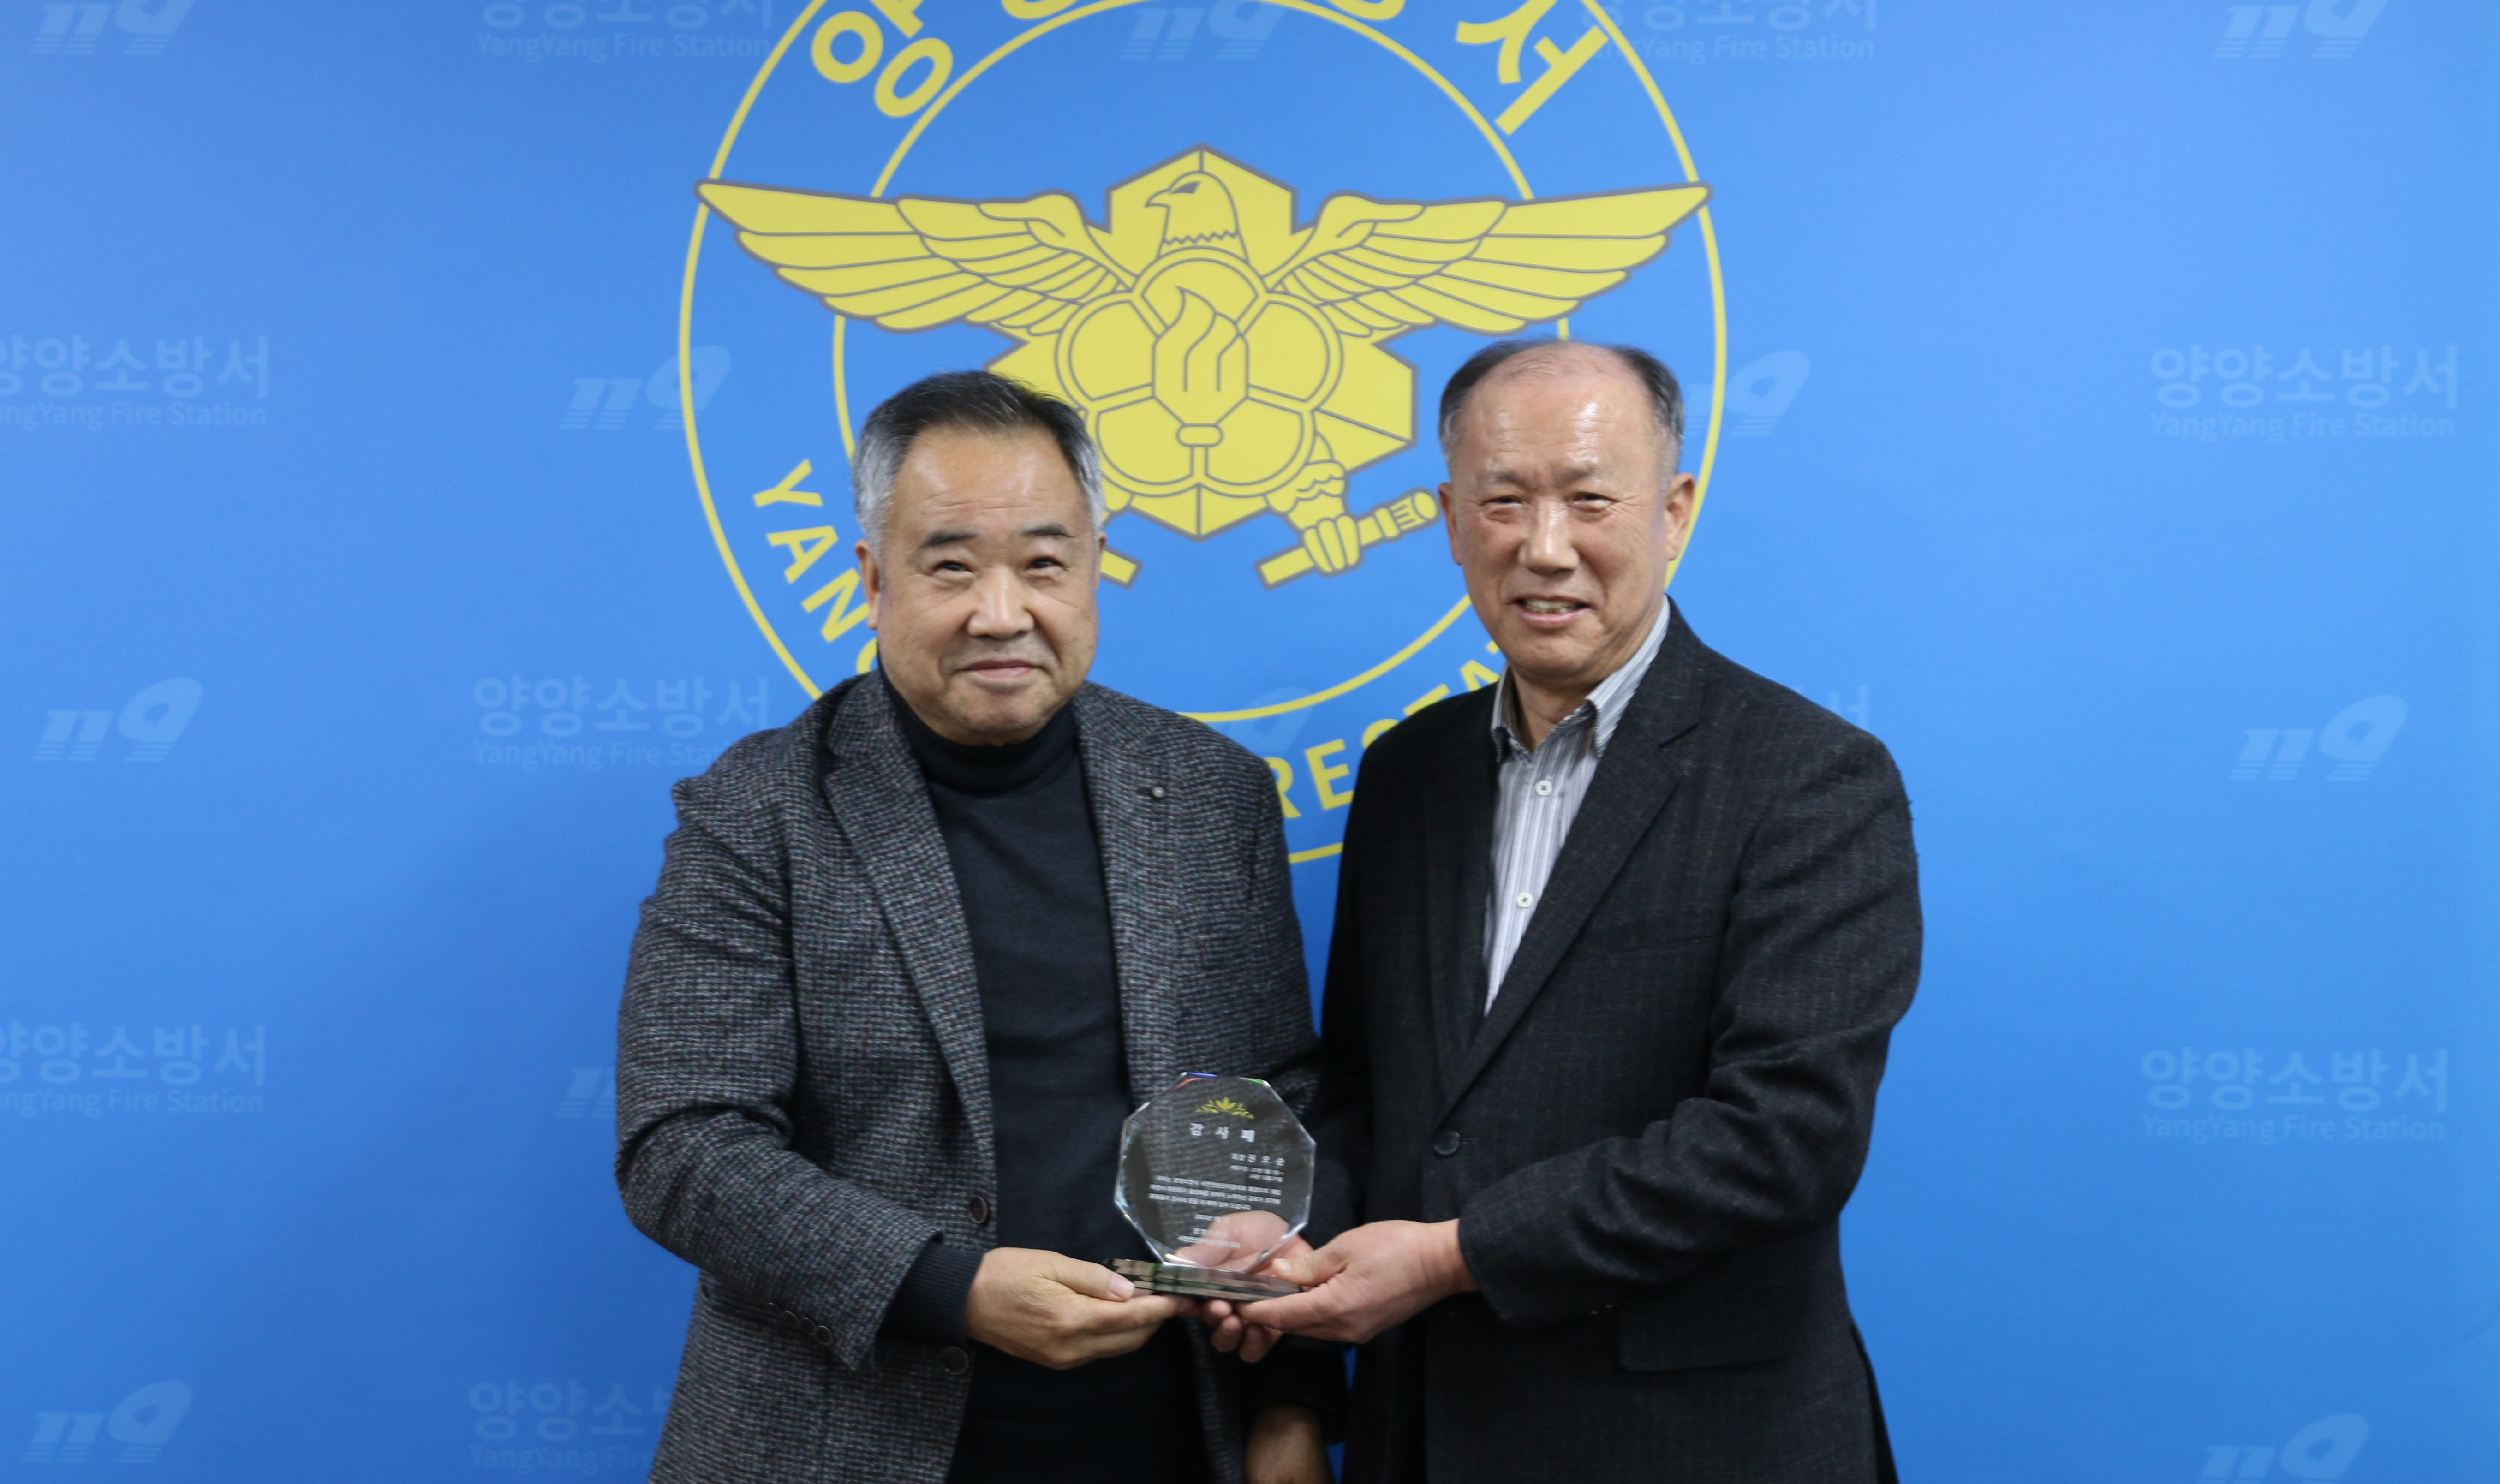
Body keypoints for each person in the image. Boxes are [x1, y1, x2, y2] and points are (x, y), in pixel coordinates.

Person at [1214, 340, 1922, 1482]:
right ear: (1451, 520)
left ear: (1674, 511)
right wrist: (1293, 1237)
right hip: (1426, 1428)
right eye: (1504, 502)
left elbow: (1788, 1139)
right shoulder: (1407, 773)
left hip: (1695, 1444)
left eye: (1591, 500)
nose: (1546, 547)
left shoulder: (1810, 777)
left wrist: (1453, 1256)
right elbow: (1365, 1091)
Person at [616, 371, 1340, 1484]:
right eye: (951, 566)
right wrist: (949, 1287)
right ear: (873, 579)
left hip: (1163, 1433)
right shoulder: (756, 812)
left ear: (1095, 566)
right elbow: (684, 1144)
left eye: (1044, 564)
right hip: (841, 1440)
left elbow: (1277, 1101)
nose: (1002, 613)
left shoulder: (1210, 794)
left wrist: (1291, 1400)